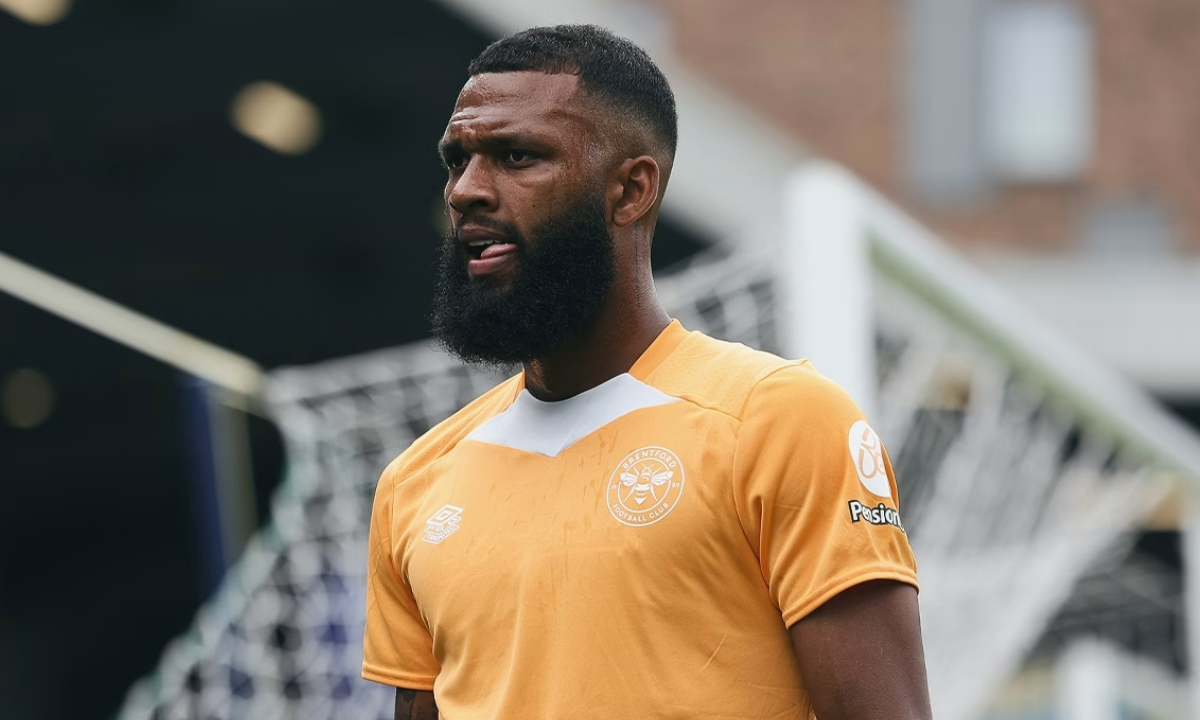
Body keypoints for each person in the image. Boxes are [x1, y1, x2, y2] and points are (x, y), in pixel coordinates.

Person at [363, 24, 931, 720]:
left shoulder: (780, 420)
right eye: (458, 161)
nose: (467, 191)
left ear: (630, 190)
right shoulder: (414, 483)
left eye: (517, 156)